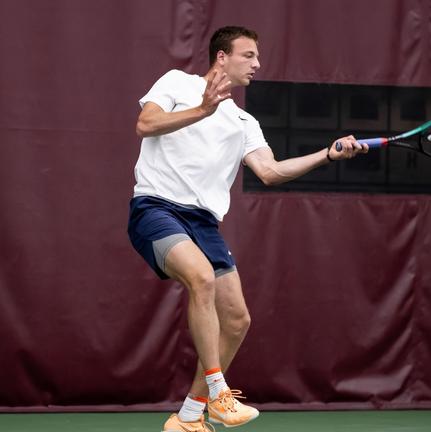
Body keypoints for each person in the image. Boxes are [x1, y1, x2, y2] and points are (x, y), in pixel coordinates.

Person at [127, 26, 367, 432]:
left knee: (237, 320)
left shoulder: (243, 121)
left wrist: (327, 154)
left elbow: (270, 171)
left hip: (204, 222)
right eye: (249, 55)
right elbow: (146, 124)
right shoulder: (178, 83)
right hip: (156, 208)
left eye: (257, 57)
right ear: (221, 57)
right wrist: (202, 109)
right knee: (201, 278)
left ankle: (188, 417)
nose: (257, 64)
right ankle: (220, 393)